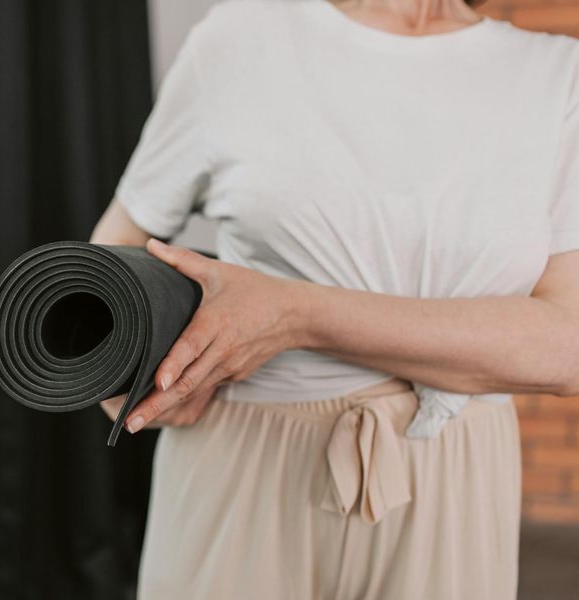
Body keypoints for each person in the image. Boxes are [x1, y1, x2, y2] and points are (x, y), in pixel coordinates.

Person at [90, 1, 579, 598]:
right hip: (244, 464)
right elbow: (117, 243)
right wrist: (118, 379)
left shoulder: (558, 75)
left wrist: (295, 313)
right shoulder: (240, 38)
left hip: (454, 479)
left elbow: (566, 346)